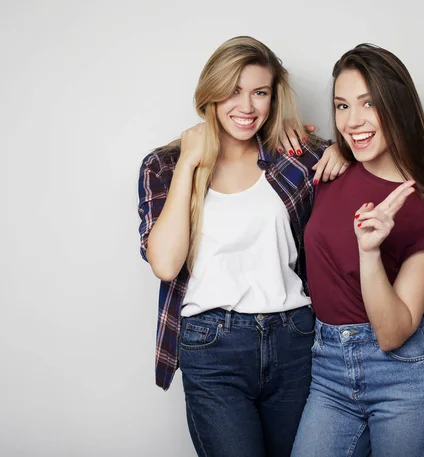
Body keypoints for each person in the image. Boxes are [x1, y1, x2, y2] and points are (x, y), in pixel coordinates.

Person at [136, 36, 347, 457]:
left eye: (260, 93)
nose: (247, 107)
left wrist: (341, 150)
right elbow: (165, 263)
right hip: (212, 347)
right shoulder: (163, 165)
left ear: (273, 97)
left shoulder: (295, 158)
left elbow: (374, 152)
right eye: (233, 91)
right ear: (210, 94)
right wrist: (190, 163)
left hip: (294, 339)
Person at [291, 44, 424, 457]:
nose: (354, 121)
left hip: (402, 381)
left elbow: (392, 333)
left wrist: (369, 251)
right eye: (342, 105)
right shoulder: (331, 169)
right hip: (328, 370)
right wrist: (330, 145)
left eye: (369, 103)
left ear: (397, 105)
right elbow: (252, 127)